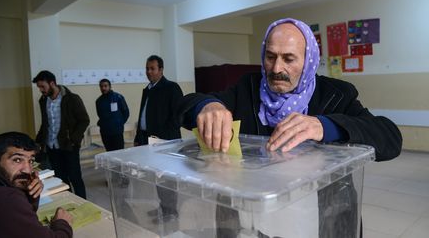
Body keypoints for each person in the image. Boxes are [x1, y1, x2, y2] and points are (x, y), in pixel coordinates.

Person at [177, 18, 402, 237]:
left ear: (309, 60)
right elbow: (185, 106)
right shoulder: (248, 88)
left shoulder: (337, 94)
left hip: (321, 219)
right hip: (256, 219)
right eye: (270, 56)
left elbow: (390, 138)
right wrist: (207, 106)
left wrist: (326, 125)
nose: (276, 68)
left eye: (289, 59)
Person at [134, 55, 184, 223]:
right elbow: (143, 114)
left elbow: (178, 116)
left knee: (168, 178)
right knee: (158, 176)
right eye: (147, 68)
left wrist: (165, 139)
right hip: (150, 141)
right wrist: (138, 136)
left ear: (161, 70)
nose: (148, 72)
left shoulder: (171, 88)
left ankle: (171, 212)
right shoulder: (148, 89)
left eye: (152, 68)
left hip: (166, 142)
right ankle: (164, 207)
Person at [0, 131, 73, 238]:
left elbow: (23, 225)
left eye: (31, 161)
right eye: (17, 159)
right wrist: (62, 223)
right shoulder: (8, 198)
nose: (28, 170)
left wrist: (30, 193)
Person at [33, 70, 90, 199]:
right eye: (39, 87)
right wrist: (38, 141)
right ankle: (69, 201)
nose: (41, 90)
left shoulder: (72, 99)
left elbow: (84, 120)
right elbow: (45, 123)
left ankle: (83, 203)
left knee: (75, 177)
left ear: (52, 83)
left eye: (43, 86)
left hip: (69, 146)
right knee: (61, 178)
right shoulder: (43, 100)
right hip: (52, 147)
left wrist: (74, 139)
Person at [95, 78, 130, 151]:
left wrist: (119, 123)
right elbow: (100, 115)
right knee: (109, 153)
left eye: (105, 86)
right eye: (101, 86)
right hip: (105, 132)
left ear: (110, 87)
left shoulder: (118, 97)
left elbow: (126, 112)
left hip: (117, 132)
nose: (103, 88)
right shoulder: (99, 101)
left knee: (119, 153)